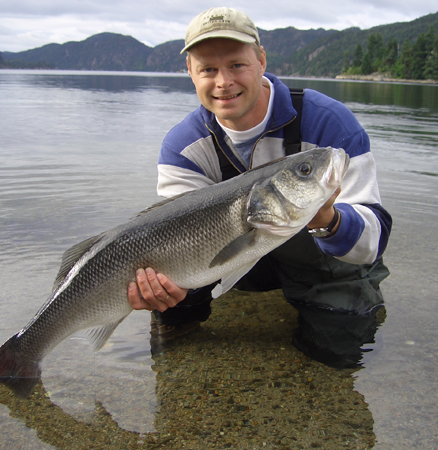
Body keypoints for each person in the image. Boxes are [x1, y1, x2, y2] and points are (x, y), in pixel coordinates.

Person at [127, 7, 392, 367]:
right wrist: (170, 288)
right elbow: (174, 235)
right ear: (190, 73)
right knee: (172, 303)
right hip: (230, 253)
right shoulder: (183, 146)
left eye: (237, 65)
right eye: (208, 69)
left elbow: (372, 243)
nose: (223, 82)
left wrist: (328, 219)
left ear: (261, 60)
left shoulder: (329, 125)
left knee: (337, 352)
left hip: (321, 259)